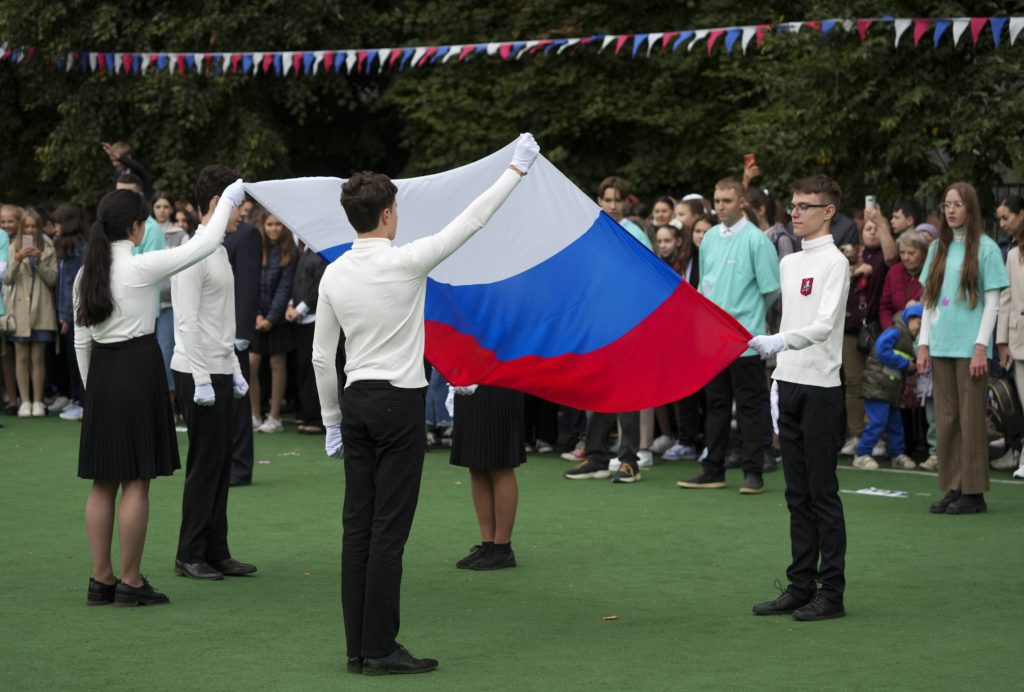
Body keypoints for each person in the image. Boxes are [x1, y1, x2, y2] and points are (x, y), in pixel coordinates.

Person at [311, 133, 539, 675]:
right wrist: (516, 170)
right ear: (388, 214)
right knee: (389, 529)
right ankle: (380, 648)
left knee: (357, 528)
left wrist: (330, 422)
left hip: (357, 399)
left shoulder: (334, 272)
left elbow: (323, 358)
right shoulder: (407, 260)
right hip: (400, 402)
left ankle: (358, 648)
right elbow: (472, 220)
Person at [74, 182, 243, 607]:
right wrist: (228, 199)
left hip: (103, 374)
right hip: (136, 369)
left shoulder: (85, 272)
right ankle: (129, 581)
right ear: (134, 227)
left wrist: (93, 388)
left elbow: (81, 341)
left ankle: (101, 580)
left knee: (102, 481)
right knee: (136, 480)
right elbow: (204, 244)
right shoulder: (139, 265)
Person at [748, 174, 851, 621]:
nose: (795, 212)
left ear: (828, 211)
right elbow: (793, 322)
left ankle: (832, 593)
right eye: (793, 205)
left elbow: (826, 326)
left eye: (805, 206)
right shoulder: (789, 263)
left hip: (822, 388)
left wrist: (778, 341)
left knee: (822, 493)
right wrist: (776, 368)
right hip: (787, 384)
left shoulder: (835, 262)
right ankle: (799, 585)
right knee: (796, 495)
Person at [171, 165, 257, 580]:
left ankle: (215, 550)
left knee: (222, 462)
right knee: (205, 464)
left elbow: (219, 320)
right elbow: (186, 322)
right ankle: (189, 552)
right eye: (238, 205)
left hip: (219, 368)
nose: (245, 212)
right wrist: (204, 377)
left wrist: (233, 369)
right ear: (216, 205)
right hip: (196, 371)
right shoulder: (195, 251)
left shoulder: (219, 248)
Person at [678, 177, 780, 494]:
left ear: (741, 202)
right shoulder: (708, 238)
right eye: (717, 200)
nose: (720, 206)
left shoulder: (756, 240)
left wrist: (747, 321)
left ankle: (753, 472)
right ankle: (713, 469)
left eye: (727, 200)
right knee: (716, 406)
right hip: (714, 340)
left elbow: (771, 290)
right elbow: (705, 286)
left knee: (749, 407)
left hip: (745, 340)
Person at [917, 182, 1009, 515]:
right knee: (946, 420)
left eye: (957, 204)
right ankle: (954, 486)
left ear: (970, 208)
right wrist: (923, 343)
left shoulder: (985, 248)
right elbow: (928, 302)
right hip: (941, 344)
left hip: (970, 347)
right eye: (946, 205)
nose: (951, 210)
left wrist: (981, 347)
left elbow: (993, 304)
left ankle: (974, 492)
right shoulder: (937, 249)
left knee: (971, 420)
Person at [839, 207, 898, 457]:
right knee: (853, 383)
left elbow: (891, 254)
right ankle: (855, 434)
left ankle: (878, 437)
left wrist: (879, 221)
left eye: (876, 229)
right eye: (867, 228)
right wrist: (854, 271)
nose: (872, 232)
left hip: (878, 329)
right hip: (851, 328)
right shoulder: (852, 255)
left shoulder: (884, 259)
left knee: (878, 384)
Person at [450, 385, 524, 570]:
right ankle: (488, 544)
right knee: (475, 464)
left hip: (498, 378)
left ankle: (502, 547)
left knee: (500, 463)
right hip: (467, 379)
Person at [853, 305, 922, 470]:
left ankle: (897, 454)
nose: (920, 328)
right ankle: (861, 453)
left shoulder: (905, 336)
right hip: (878, 386)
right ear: (910, 319)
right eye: (919, 323)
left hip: (890, 389)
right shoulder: (896, 332)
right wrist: (906, 364)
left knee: (894, 423)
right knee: (877, 421)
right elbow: (882, 351)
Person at [4, 208, 58, 417]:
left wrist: (38, 261)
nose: (30, 229)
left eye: (34, 226)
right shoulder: (12, 247)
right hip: (19, 309)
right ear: (21, 228)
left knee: (38, 358)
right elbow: (7, 279)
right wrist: (17, 259)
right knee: (21, 356)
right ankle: (24, 401)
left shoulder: (49, 247)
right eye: (26, 226)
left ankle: (38, 401)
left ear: (39, 227)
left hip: (41, 309)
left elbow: (53, 279)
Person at [223, 209, 262, 487]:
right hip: (209, 333)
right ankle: (224, 462)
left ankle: (240, 466)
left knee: (237, 401)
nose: (241, 211)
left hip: (234, 334)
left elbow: (248, 287)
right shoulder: (207, 237)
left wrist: (242, 334)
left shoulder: (246, 235)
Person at [249, 211, 296, 433]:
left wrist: (271, 318)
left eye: (278, 224)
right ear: (263, 226)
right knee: (251, 363)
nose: (274, 228)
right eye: (269, 224)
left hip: (278, 320)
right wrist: (258, 314)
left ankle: (274, 417)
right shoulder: (257, 249)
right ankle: (254, 414)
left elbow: (285, 289)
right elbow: (253, 284)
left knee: (278, 365)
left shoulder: (290, 252)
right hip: (258, 317)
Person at [285, 242, 329, 434]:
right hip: (301, 319)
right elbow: (297, 282)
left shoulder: (320, 252)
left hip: (314, 319)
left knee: (314, 370)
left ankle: (318, 419)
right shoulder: (305, 250)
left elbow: (319, 287)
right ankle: (307, 413)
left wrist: (299, 309)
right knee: (303, 368)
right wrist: (290, 305)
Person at [52, 203, 89, 421]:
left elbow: (75, 285)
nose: (55, 227)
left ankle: (84, 403)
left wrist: (67, 315)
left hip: (75, 313)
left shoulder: (81, 249)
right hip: (65, 312)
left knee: (78, 359)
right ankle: (76, 400)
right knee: (70, 360)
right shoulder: (63, 245)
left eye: (58, 222)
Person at [996, 195, 1024, 480]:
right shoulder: (1013, 254)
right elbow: (1005, 300)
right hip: (1019, 339)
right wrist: (1001, 341)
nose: (1002, 224)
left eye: (1006, 217)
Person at [152, 191, 187, 414]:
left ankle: (170, 406)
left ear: (171, 209)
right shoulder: (144, 231)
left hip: (169, 304)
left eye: (166, 206)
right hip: (146, 303)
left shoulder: (180, 234)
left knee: (166, 355)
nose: (162, 210)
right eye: (158, 206)